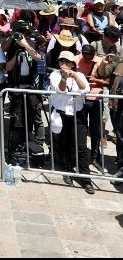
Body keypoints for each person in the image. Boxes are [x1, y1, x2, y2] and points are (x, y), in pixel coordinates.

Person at [49, 51, 94, 194]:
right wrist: (64, 78)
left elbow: (85, 89)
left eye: (67, 61)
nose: (64, 63)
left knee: (81, 146)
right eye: (61, 60)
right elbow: (60, 90)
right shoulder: (54, 75)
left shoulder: (79, 75)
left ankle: (86, 179)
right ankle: (67, 171)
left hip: (77, 114)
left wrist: (74, 75)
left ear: (73, 64)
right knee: (65, 144)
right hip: (62, 114)